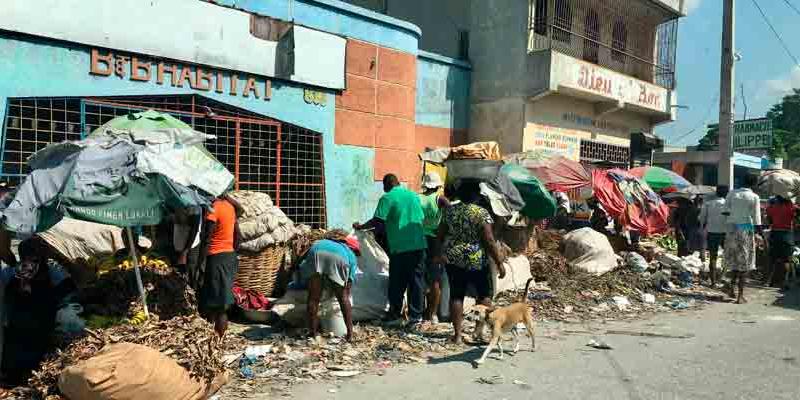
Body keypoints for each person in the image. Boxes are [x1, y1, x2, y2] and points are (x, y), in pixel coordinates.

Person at [433, 179, 506, 344]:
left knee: (456, 296)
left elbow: (440, 236)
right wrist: (499, 261)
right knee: (484, 296)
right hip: (477, 260)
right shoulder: (481, 213)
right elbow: (489, 239)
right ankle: (480, 332)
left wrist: (438, 254)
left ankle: (457, 335)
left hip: (454, 259)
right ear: (476, 195)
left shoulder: (450, 211)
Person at [354, 174, 427, 328]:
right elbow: (420, 217)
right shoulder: (413, 196)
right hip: (419, 244)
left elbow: (378, 221)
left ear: (387, 185)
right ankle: (416, 317)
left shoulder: (387, 198)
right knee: (417, 282)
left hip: (400, 246)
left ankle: (395, 314)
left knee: (397, 282)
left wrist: (361, 227)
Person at [0, 239, 75, 387]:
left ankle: (12, 379)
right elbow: (69, 288)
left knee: (16, 355)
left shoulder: (11, 271)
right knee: (32, 356)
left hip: (19, 324)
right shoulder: (51, 270)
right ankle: (23, 380)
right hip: (37, 322)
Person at [296, 236, 360, 341]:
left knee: (313, 297)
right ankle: (350, 334)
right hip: (338, 258)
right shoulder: (350, 254)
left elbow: (302, 263)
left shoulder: (324, 242)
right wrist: (341, 293)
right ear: (353, 249)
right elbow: (347, 285)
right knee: (343, 298)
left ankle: (313, 333)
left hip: (315, 253)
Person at [199, 196, 240, 337]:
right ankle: (216, 337)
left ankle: (219, 338)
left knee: (218, 304)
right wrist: (234, 252)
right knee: (218, 299)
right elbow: (237, 234)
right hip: (228, 255)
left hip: (216, 257)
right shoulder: (230, 207)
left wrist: (201, 261)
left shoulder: (214, 208)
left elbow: (207, 237)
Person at [724, 175, 762, 304]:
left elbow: (725, 212)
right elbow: (757, 219)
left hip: (731, 229)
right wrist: (760, 234)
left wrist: (734, 216)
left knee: (734, 260)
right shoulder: (754, 197)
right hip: (745, 228)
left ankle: (731, 288)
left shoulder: (731, 193)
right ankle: (740, 295)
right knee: (744, 263)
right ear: (754, 184)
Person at [419, 172, 450, 323]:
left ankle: (423, 312)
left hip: (418, 240)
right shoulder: (440, 199)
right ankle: (432, 314)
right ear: (438, 185)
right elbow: (452, 213)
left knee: (422, 278)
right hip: (435, 241)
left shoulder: (418, 198)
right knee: (436, 279)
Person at [699, 185, 729, 287]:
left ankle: (713, 282)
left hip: (712, 233)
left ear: (716, 193)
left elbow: (702, 219)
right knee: (727, 257)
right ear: (727, 193)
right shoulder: (728, 205)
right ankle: (721, 277)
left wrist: (703, 227)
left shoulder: (708, 204)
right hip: (725, 233)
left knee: (713, 257)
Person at [766, 195, 796, 288]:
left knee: (772, 259)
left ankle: (769, 281)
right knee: (786, 260)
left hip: (775, 234)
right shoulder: (792, 207)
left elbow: (769, 220)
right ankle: (785, 282)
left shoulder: (772, 207)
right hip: (787, 234)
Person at [174, 207, 204, 292]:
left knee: (189, 278)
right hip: (180, 248)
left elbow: (195, 230)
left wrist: (185, 252)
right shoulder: (179, 201)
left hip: (190, 249)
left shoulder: (194, 206)